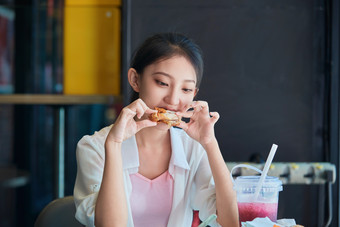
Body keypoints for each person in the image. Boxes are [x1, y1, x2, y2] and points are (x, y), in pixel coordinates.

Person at [73, 32, 239, 227]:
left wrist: (210, 144)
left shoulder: (193, 149)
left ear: (194, 94)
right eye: (162, 83)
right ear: (135, 79)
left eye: (185, 89)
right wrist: (114, 145)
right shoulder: (94, 147)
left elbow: (229, 223)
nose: (173, 100)